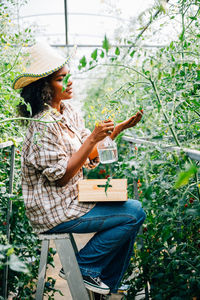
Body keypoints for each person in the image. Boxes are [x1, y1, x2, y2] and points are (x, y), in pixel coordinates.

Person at [13, 42, 146, 297]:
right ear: (43, 88)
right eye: (62, 79)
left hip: (73, 200)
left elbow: (88, 154)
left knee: (130, 206)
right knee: (133, 213)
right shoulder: (42, 125)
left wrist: (117, 129)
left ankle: (102, 277)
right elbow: (62, 177)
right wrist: (92, 138)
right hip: (55, 211)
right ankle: (87, 267)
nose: (70, 82)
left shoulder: (68, 112)